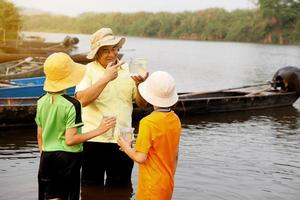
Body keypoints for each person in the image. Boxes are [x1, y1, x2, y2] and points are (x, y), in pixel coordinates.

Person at [35, 52, 116, 200]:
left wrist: (45, 155)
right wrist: (100, 130)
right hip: (66, 159)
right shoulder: (72, 105)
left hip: (46, 157)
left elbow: (40, 135)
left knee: (47, 196)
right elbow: (70, 140)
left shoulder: (40, 101)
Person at [75, 28, 147, 189]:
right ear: (96, 53)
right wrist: (106, 78)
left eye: (114, 49)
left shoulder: (128, 70)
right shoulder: (87, 70)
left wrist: (139, 84)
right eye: (105, 50)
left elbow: (141, 104)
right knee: (90, 188)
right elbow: (82, 100)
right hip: (94, 140)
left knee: (121, 188)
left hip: (123, 141)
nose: (111, 54)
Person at [118, 71, 182, 200]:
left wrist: (125, 147)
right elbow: (174, 154)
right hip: (167, 182)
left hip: (150, 186)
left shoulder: (148, 122)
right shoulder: (175, 119)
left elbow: (140, 157)